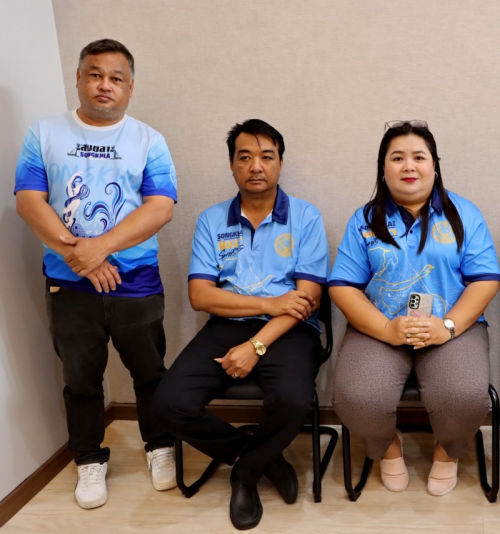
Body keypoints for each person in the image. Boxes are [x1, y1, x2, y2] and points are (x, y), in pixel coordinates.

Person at [14, 39, 177, 510]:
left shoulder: (149, 140)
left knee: (150, 371)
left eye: (116, 78)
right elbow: (29, 200)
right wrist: (79, 257)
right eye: (95, 74)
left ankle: (160, 445)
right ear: (79, 78)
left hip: (136, 280)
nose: (105, 85)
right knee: (81, 378)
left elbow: (161, 207)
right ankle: (88, 458)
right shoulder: (44, 133)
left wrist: (100, 248)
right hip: (68, 282)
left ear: (130, 87)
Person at [152, 119, 329, 530]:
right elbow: (200, 296)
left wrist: (256, 346)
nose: (256, 166)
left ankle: (246, 474)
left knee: (293, 401)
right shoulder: (212, 220)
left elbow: (307, 300)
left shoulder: (305, 217)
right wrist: (268, 301)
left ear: (280, 163)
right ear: (232, 165)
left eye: (266, 156)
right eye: (244, 157)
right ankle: (259, 456)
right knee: (168, 404)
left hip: (289, 330)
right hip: (227, 326)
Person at [330, 120, 500, 497]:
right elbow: (342, 286)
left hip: (452, 326)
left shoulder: (464, 214)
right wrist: (385, 329)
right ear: (383, 168)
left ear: (435, 166)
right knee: (356, 397)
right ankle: (387, 446)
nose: (409, 166)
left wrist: (448, 326)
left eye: (419, 157)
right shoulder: (364, 220)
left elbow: (486, 279)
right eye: (397, 158)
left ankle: (448, 450)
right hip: (380, 326)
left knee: (465, 396)